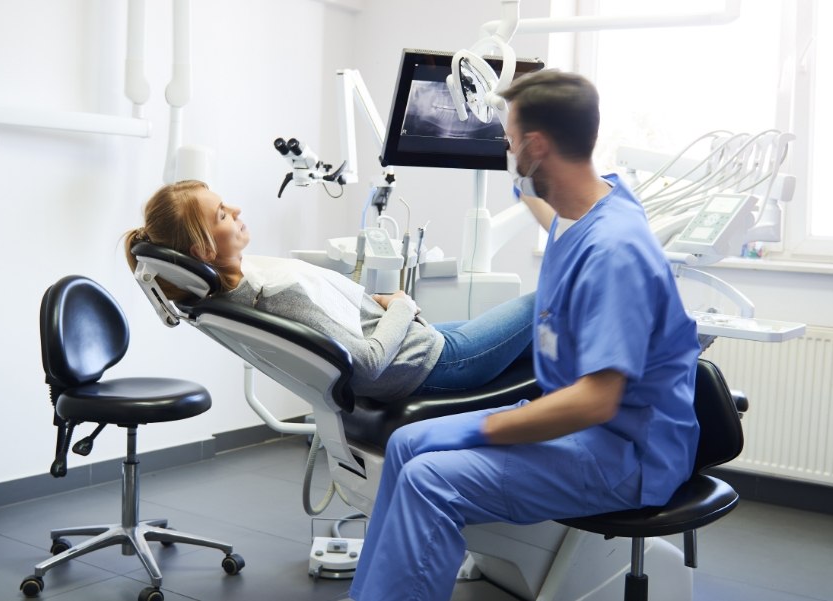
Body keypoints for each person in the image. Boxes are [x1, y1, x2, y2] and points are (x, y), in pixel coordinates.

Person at [348, 70, 702, 601]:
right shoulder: (580, 208)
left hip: (627, 454)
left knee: (431, 481)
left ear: (537, 147)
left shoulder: (615, 252)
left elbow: (597, 402)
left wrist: (493, 427)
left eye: (511, 140)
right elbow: (532, 189)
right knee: (405, 442)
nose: (507, 148)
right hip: (584, 432)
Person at [123, 180, 534, 402]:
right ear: (205, 250)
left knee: (544, 347)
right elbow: (369, 362)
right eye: (223, 214)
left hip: (418, 349)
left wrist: (379, 307)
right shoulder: (272, 294)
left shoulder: (235, 291)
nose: (237, 211)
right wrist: (401, 305)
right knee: (545, 304)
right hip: (429, 364)